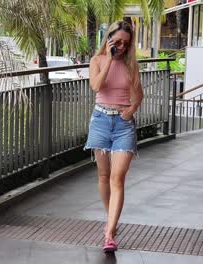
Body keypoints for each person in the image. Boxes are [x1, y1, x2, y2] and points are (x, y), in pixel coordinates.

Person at [84, 20, 144, 252]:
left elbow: (139, 95)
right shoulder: (97, 61)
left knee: (117, 179)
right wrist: (109, 58)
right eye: (117, 41)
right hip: (100, 121)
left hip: (123, 125)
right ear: (108, 39)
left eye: (125, 44)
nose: (121, 46)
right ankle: (112, 219)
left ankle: (109, 233)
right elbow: (96, 86)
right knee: (103, 175)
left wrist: (130, 110)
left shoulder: (131, 66)